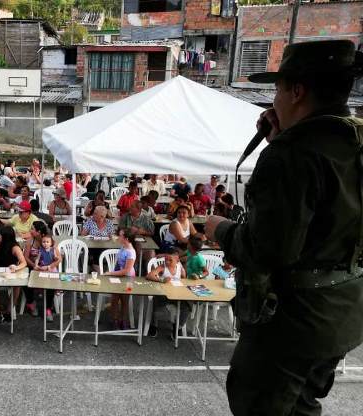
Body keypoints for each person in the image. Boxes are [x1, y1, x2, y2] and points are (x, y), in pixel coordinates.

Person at [204, 40, 363, 415]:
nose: (273, 101)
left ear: (297, 91)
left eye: (277, 90)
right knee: (302, 404)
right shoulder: (353, 140)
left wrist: (221, 230)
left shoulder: (292, 155)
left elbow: (270, 250)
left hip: (293, 320)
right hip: (342, 310)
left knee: (264, 404)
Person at [145, 247, 189, 338]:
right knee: (156, 303)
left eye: (170, 260)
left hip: (176, 294)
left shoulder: (179, 267)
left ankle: (178, 326)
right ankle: (154, 325)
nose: (167, 262)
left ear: (177, 260)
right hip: (163, 294)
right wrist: (161, 280)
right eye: (166, 259)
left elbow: (184, 278)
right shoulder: (163, 267)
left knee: (187, 305)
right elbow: (149, 275)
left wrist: (184, 276)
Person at [0, 226, 28, 323]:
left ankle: (9, 311)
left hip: (10, 272)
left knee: (17, 286)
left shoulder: (15, 247)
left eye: (0, 234)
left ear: (5, 236)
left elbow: (24, 262)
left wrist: (16, 267)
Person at [104, 228, 136, 330]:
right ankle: (115, 319)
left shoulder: (131, 252)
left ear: (126, 239)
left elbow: (126, 270)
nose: (118, 237)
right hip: (119, 276)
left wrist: (110, 273)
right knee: (114, 298)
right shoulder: (123, 247)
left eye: (121, 235)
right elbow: (119, 263)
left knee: (125, 300)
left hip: (128, 278)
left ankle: (123, 320)